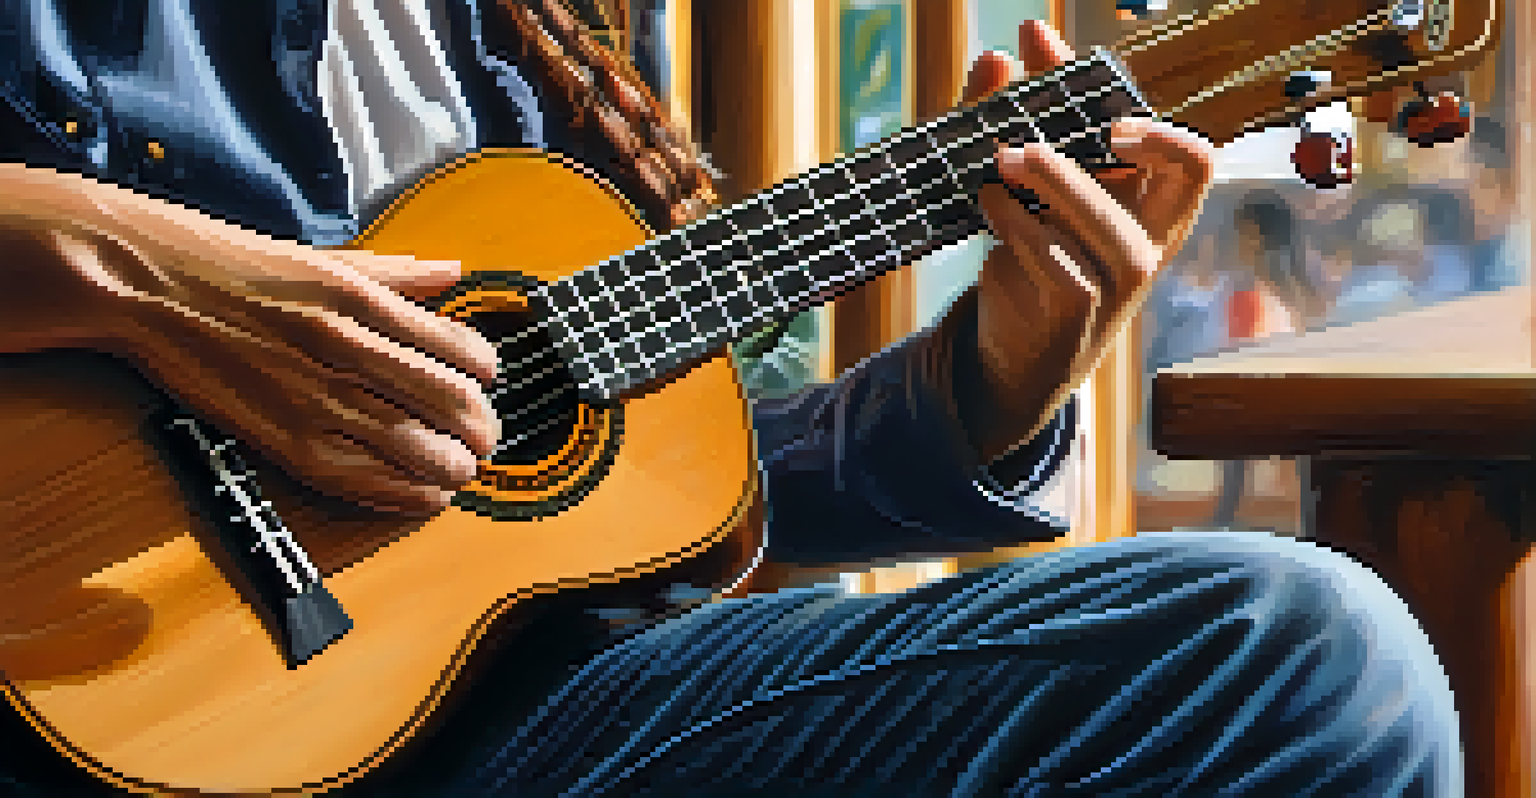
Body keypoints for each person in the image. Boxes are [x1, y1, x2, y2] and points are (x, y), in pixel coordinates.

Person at [0, 2, 1462, 795]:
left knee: (1288, 655)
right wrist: (117, 260)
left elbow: (689, 478)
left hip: (565, 705)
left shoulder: (547, 25)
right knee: (1310, 652)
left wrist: (993, 373)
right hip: (103, 706)